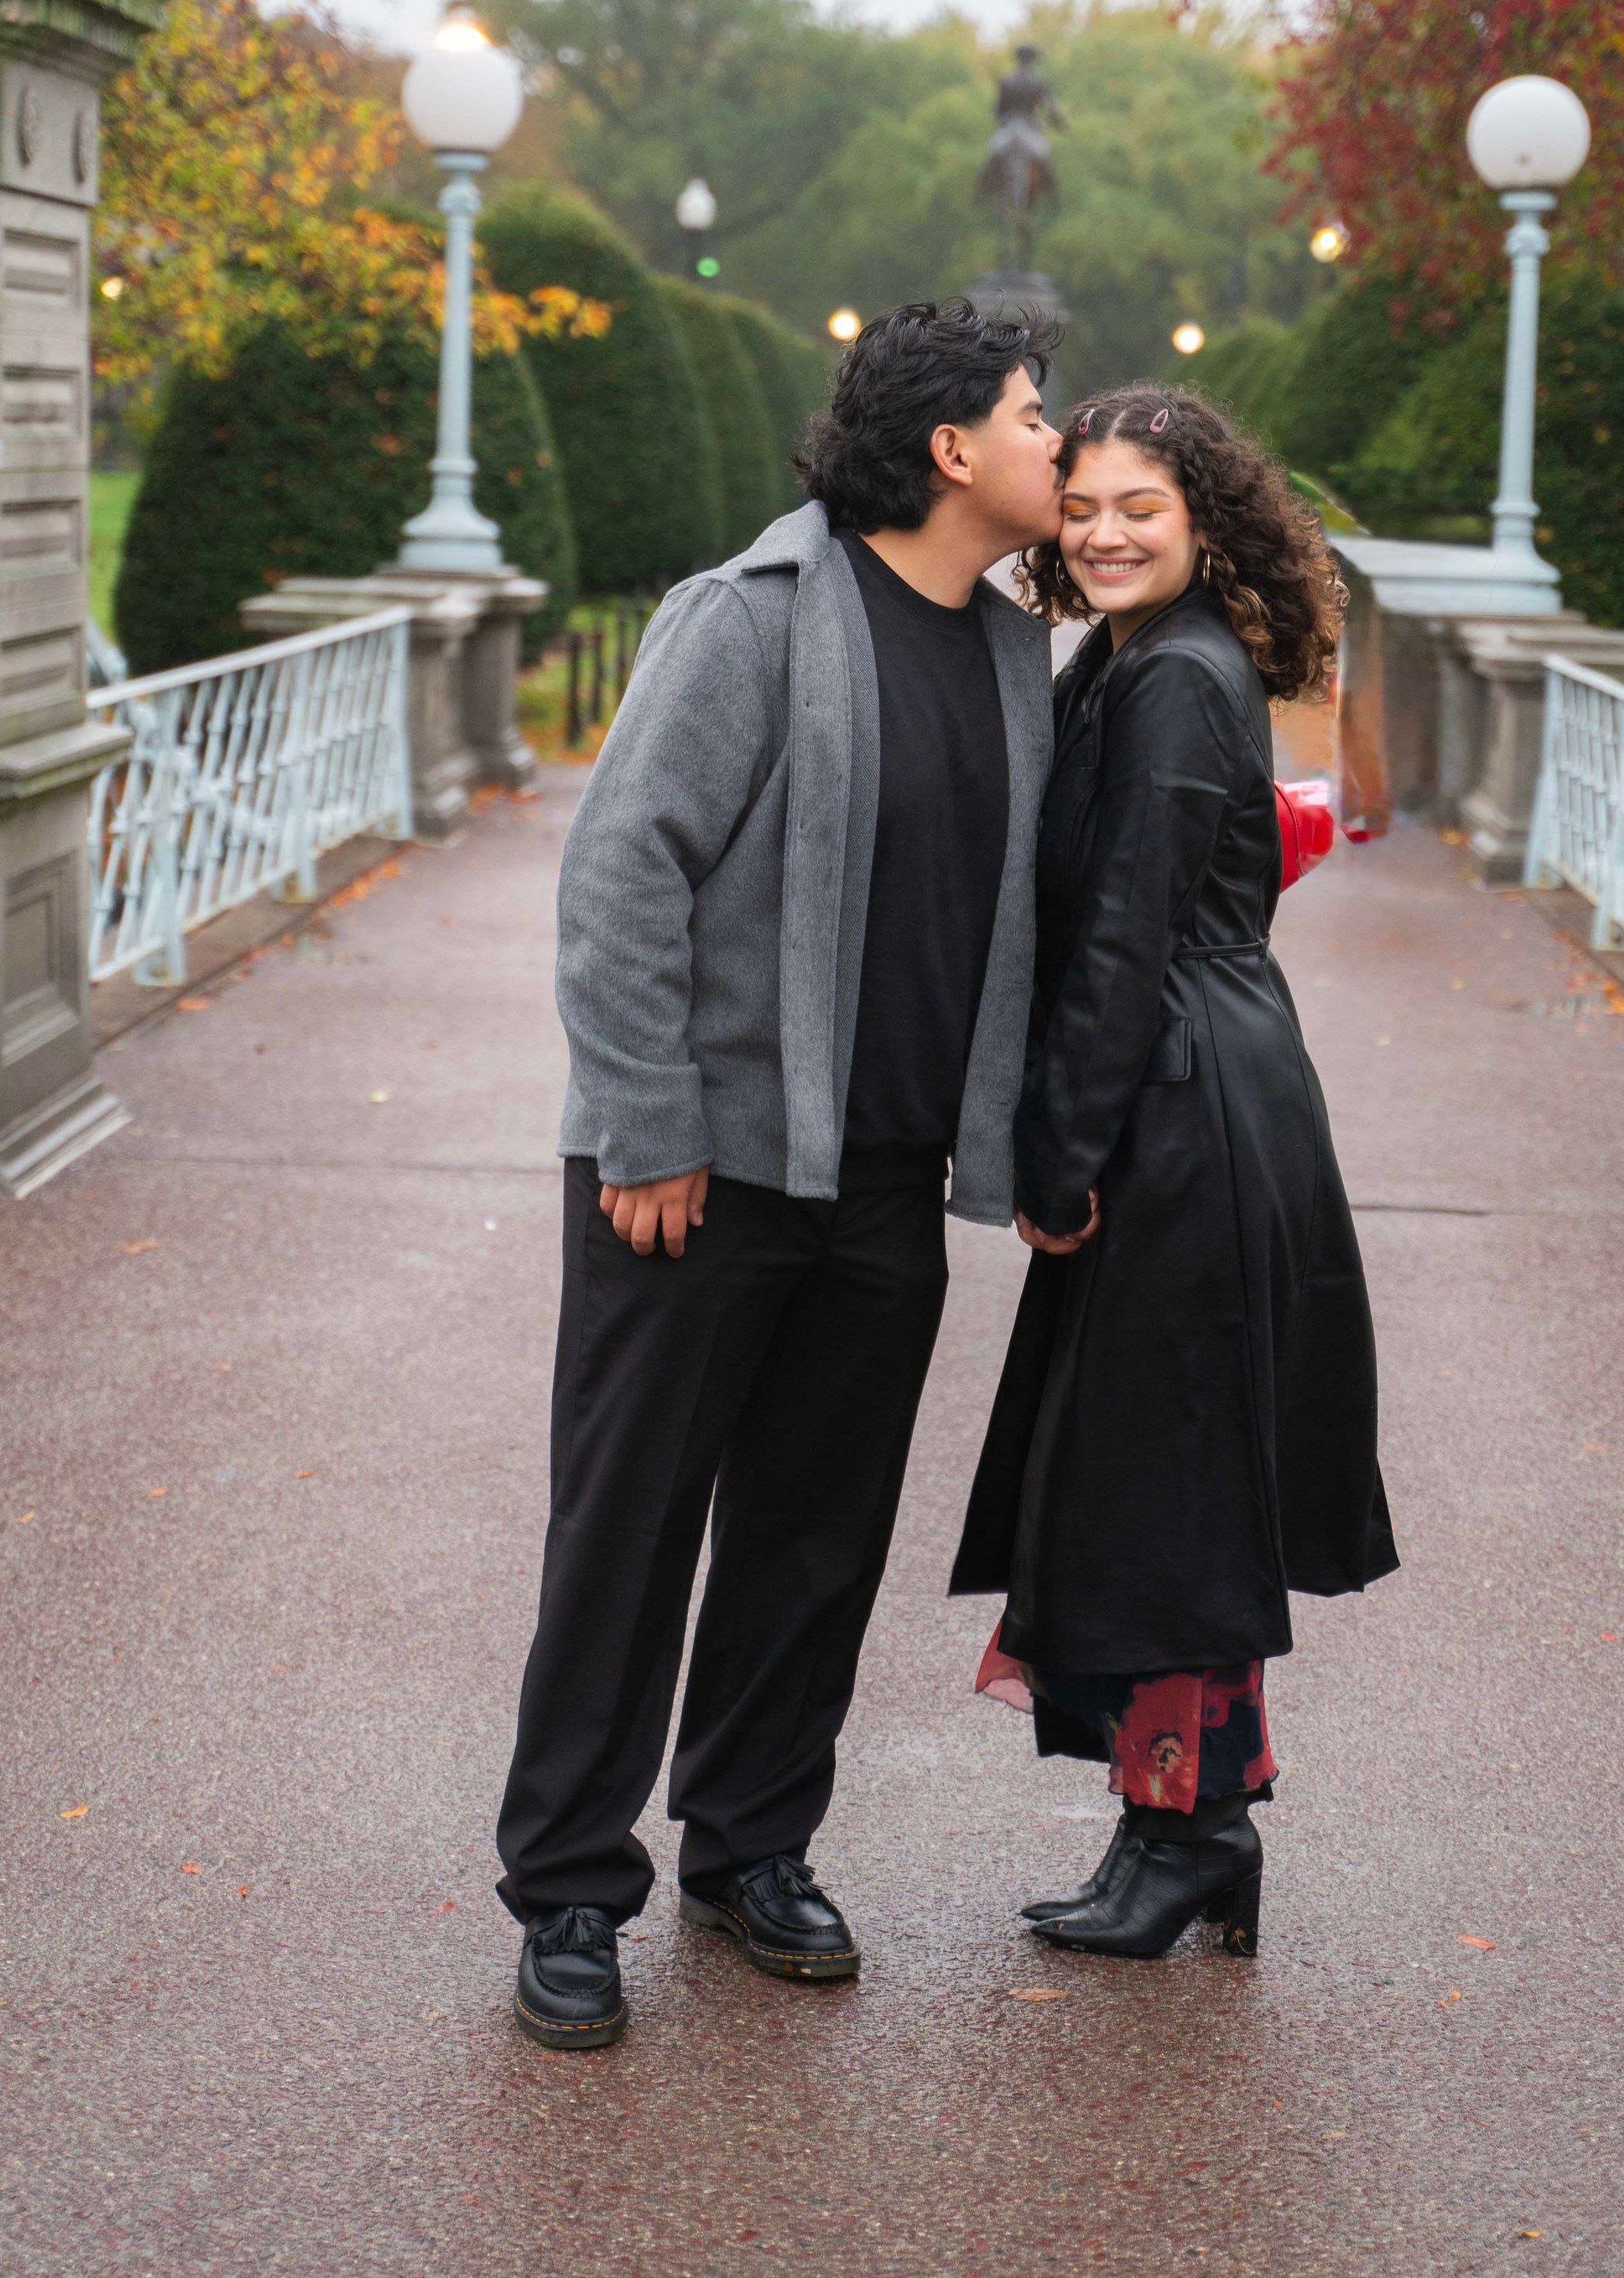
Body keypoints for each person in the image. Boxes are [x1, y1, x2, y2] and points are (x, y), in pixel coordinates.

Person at [498, 297, 1062, 2050]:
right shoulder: (746, 620)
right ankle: (573, 1887)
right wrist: (649, 1117)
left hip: (881, 1181)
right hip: (695, 1174)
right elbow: (618, 879)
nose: (1061, 440)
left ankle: (752, 1845)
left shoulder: (1003, 655)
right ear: (952, 448)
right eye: (1035, 415)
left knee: (814, 1539)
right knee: (628, 1532)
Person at [950, 385, 1399, 1962]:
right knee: (1164, 1478)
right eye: (1079, 505)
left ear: (1203, 515)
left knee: (1168, 1491)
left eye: (1138, 503)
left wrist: (1056, 1155)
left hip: (1179, 1104)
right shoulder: (1131, 661)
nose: (1101, 531)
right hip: (1192, 1081)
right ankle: (1192, 1822)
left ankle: (1192, 1829)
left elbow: (1127, 938)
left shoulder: (1173, 680)